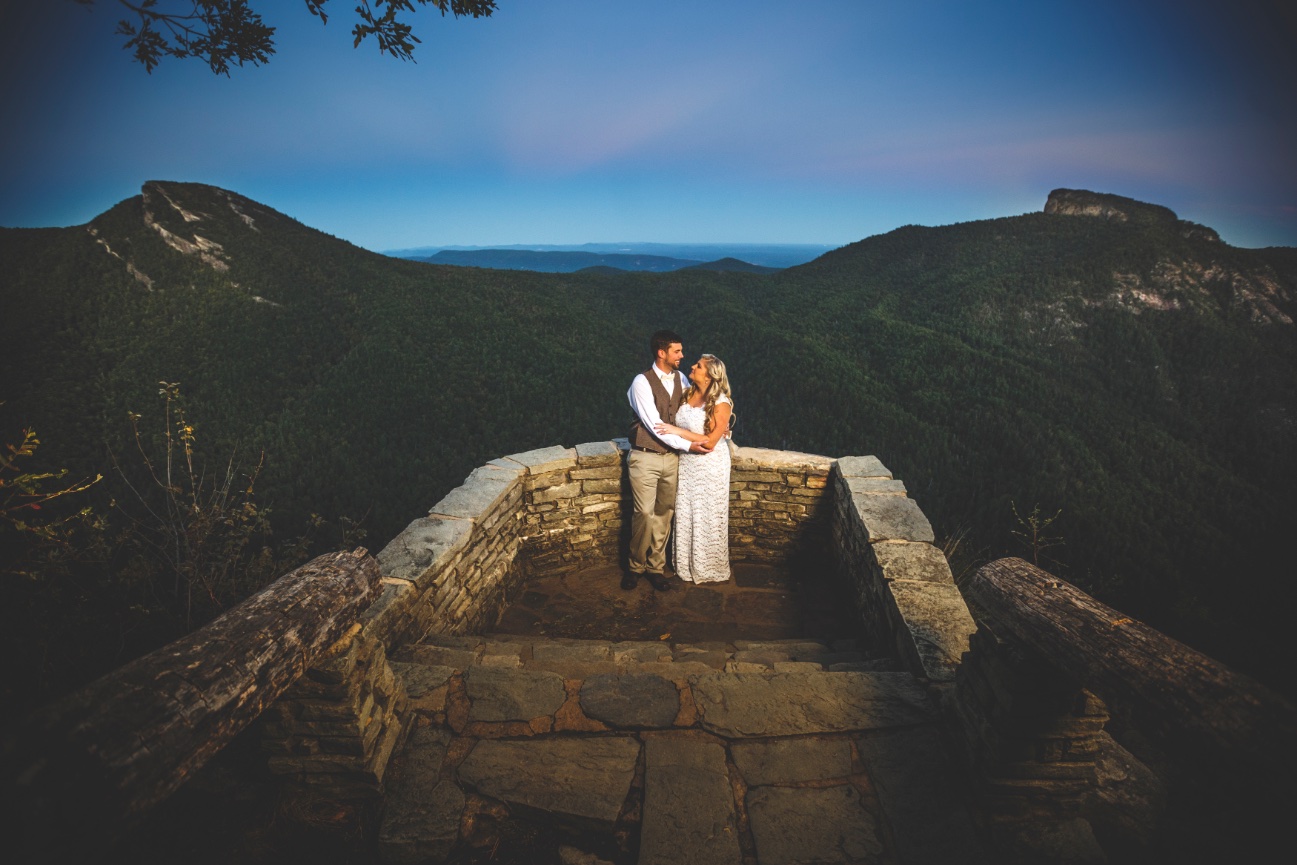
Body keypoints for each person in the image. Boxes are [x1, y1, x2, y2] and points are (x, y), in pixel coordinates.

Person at [625, 330, 713, 591]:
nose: (682, 356)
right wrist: (689, 444)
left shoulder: (682, 378)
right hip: (645, 457)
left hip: (673, 459)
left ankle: (655, 567)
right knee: (643, 513)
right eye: (677, 351)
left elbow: (693, 408)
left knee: (665, 513)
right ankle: (634, 567)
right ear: (661, 353)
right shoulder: (641, 382)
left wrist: (718, 425)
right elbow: (656, 426)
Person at [654, 354, 734, 584]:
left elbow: (709, 442)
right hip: (687, 463)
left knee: (707, 512)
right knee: (687, 510)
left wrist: (677, 431)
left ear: (709, 376)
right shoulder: (688, 392)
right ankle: (686, 565)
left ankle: (709, 567)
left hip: (710, 466)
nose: (692, 366)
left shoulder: (721, 403)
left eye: (698, 366)